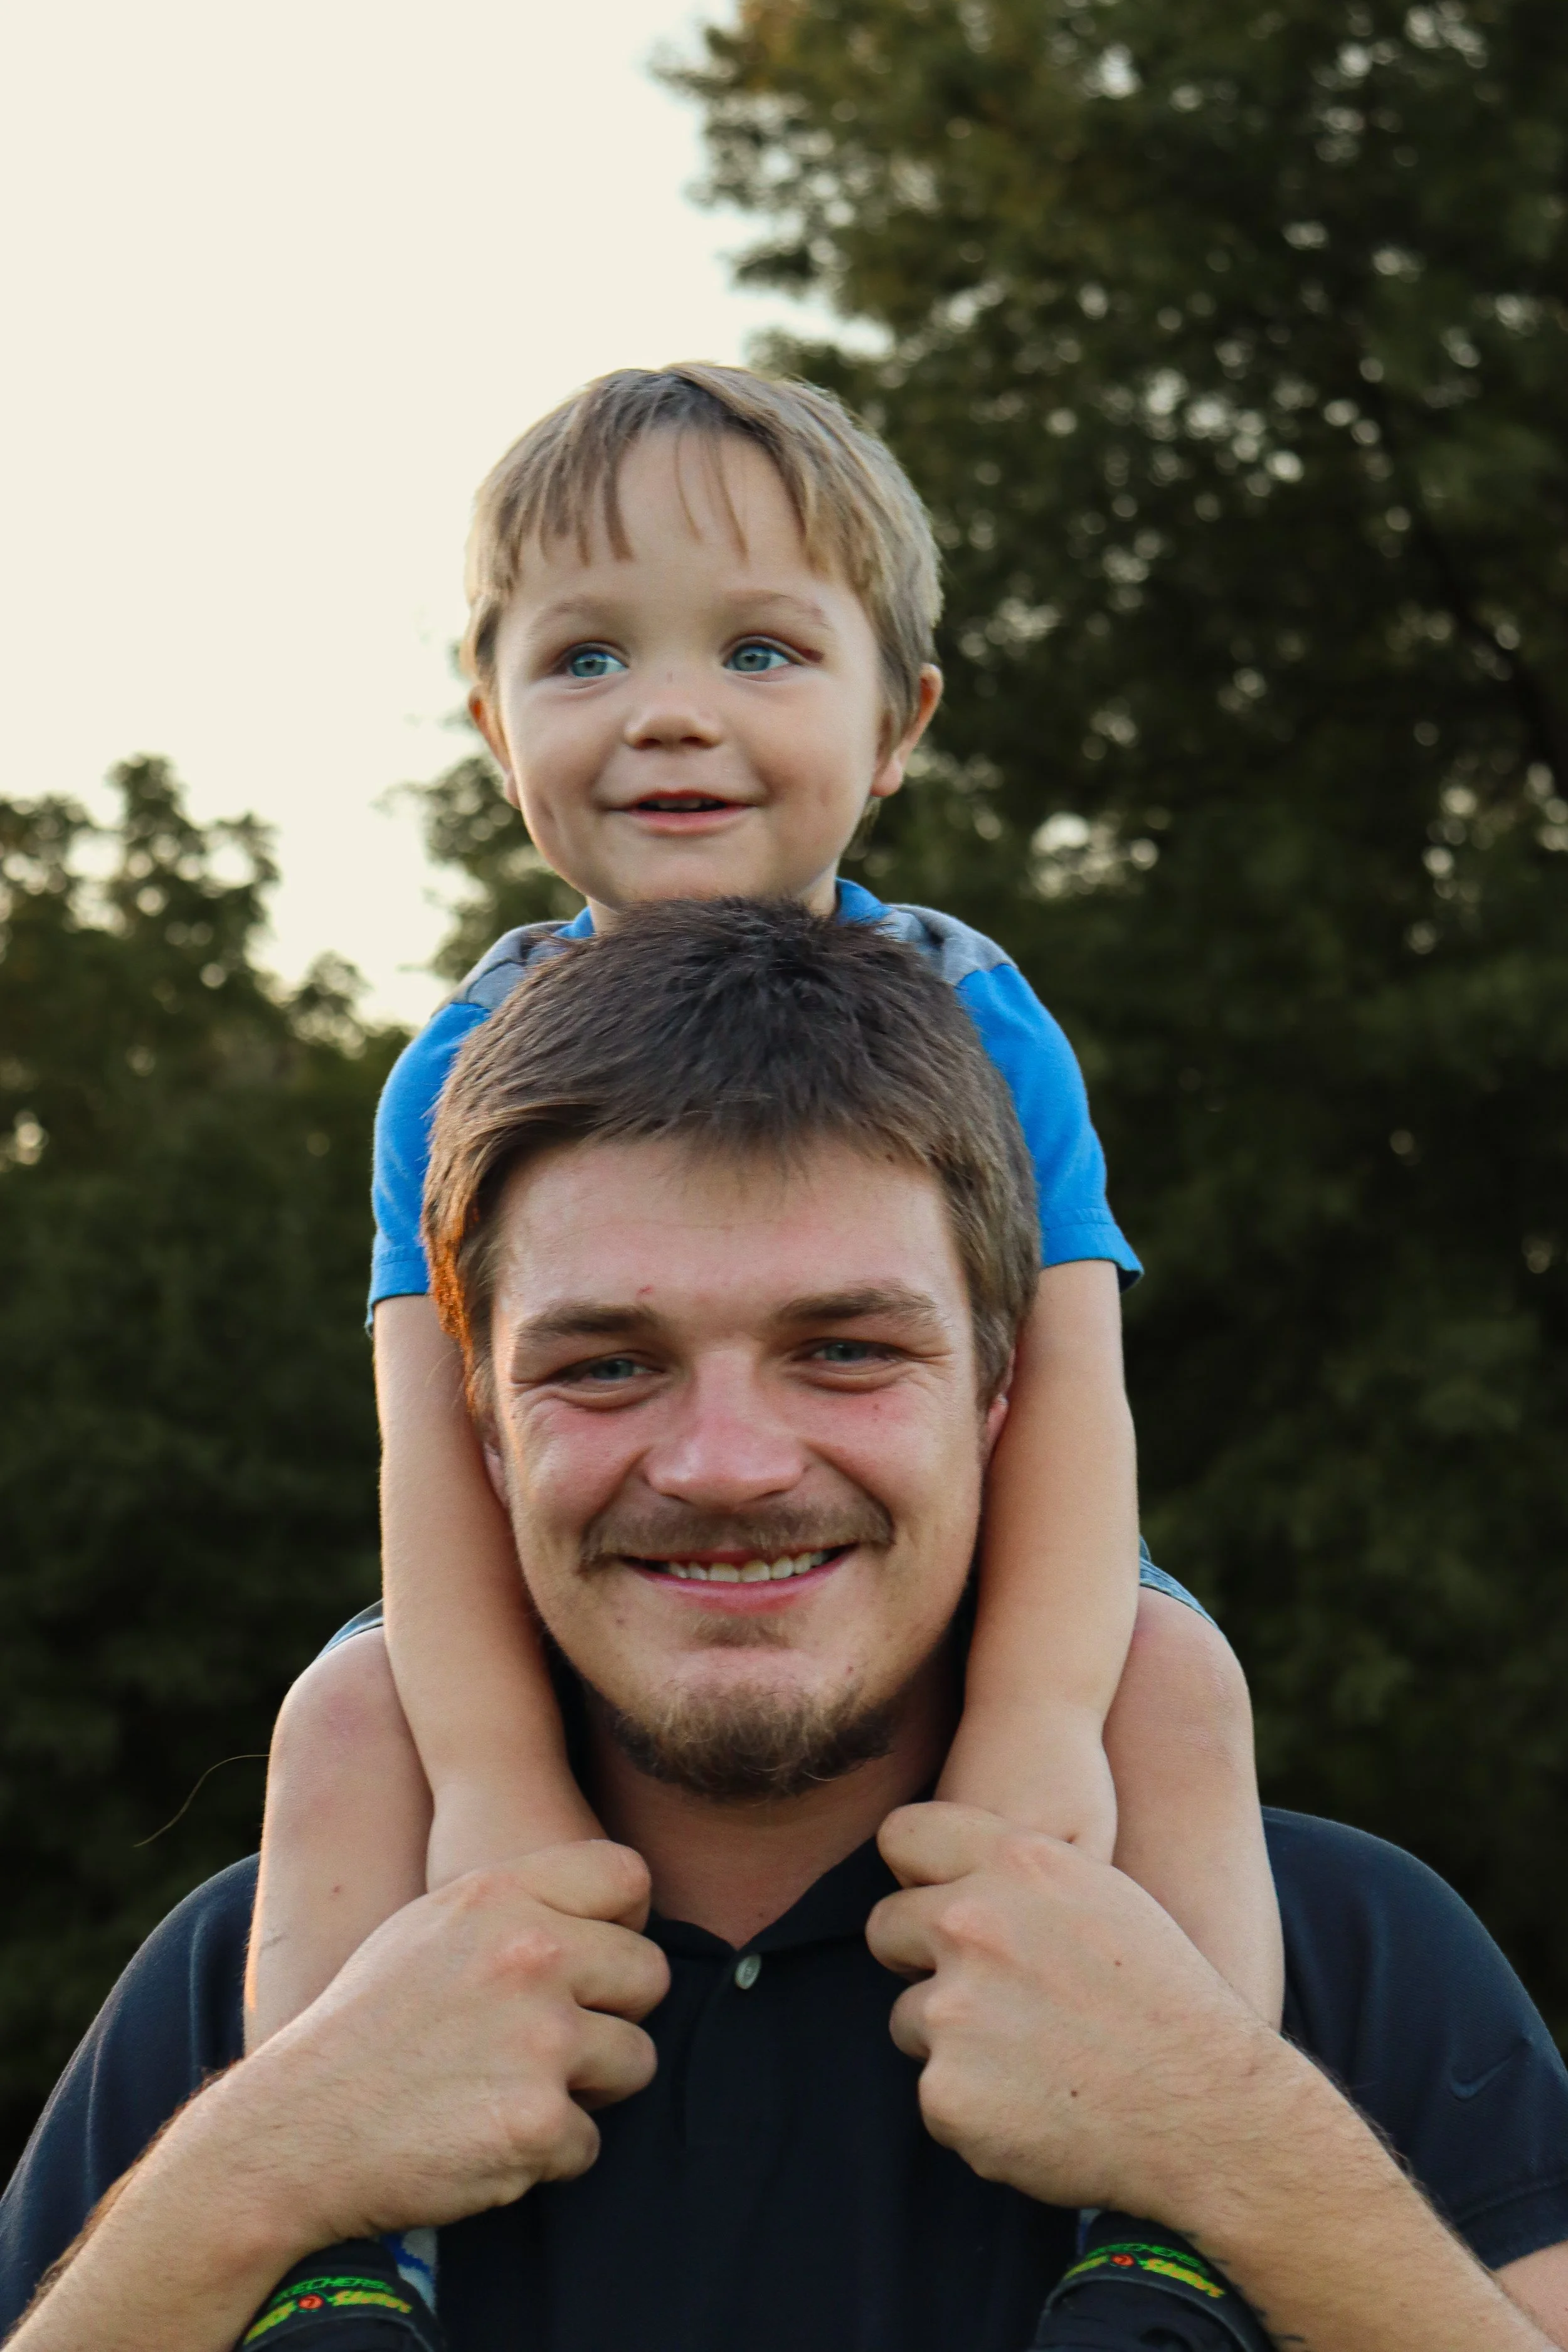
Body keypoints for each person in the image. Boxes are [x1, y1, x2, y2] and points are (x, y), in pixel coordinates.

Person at [4, 903, 1568, 2352]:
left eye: (842, 1349)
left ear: (999, 1394)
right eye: (606, 1366)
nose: (727, 1466)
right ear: (480, 1430)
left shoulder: (1346, 1947)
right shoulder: (260, 1978)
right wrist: (262, 2172)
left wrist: (1232, 2143)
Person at [245, 363, 1285, 2341]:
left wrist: (1041, 1718)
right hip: (591, 1608)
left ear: (895, 724)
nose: (665, 708)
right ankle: (330, 2250)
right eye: (582, 655)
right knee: (338, 1727)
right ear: (492, 722)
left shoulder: (980, 1015)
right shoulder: (459, 1064)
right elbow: (436, 1451)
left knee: (1180, 1674)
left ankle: (1167, 2226)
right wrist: (492, 1775)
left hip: (948, 1588)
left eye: (757, 645)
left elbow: (1065, 1399)